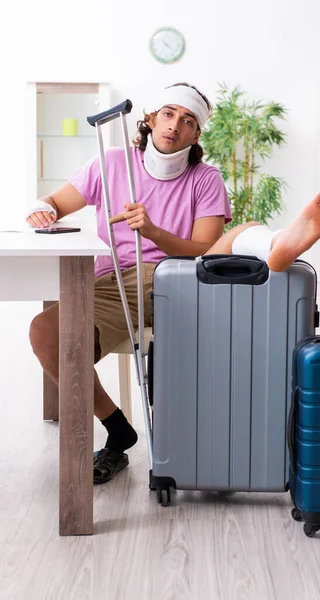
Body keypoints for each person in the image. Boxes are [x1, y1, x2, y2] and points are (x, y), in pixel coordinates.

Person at [27, 82, 232, 484]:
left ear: (196, 134)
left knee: (63, 336)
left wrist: (153, 232)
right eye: (169, 114)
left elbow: (206, 250)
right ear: (151, 118)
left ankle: (119, 435)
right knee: (45, 333)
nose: (176, 125)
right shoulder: (112, 162)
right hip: (103, 278)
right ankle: (117, 425)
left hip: (165, 278)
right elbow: (52, 202)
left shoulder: (205, 179)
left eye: (188, 121)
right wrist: (40, 211)